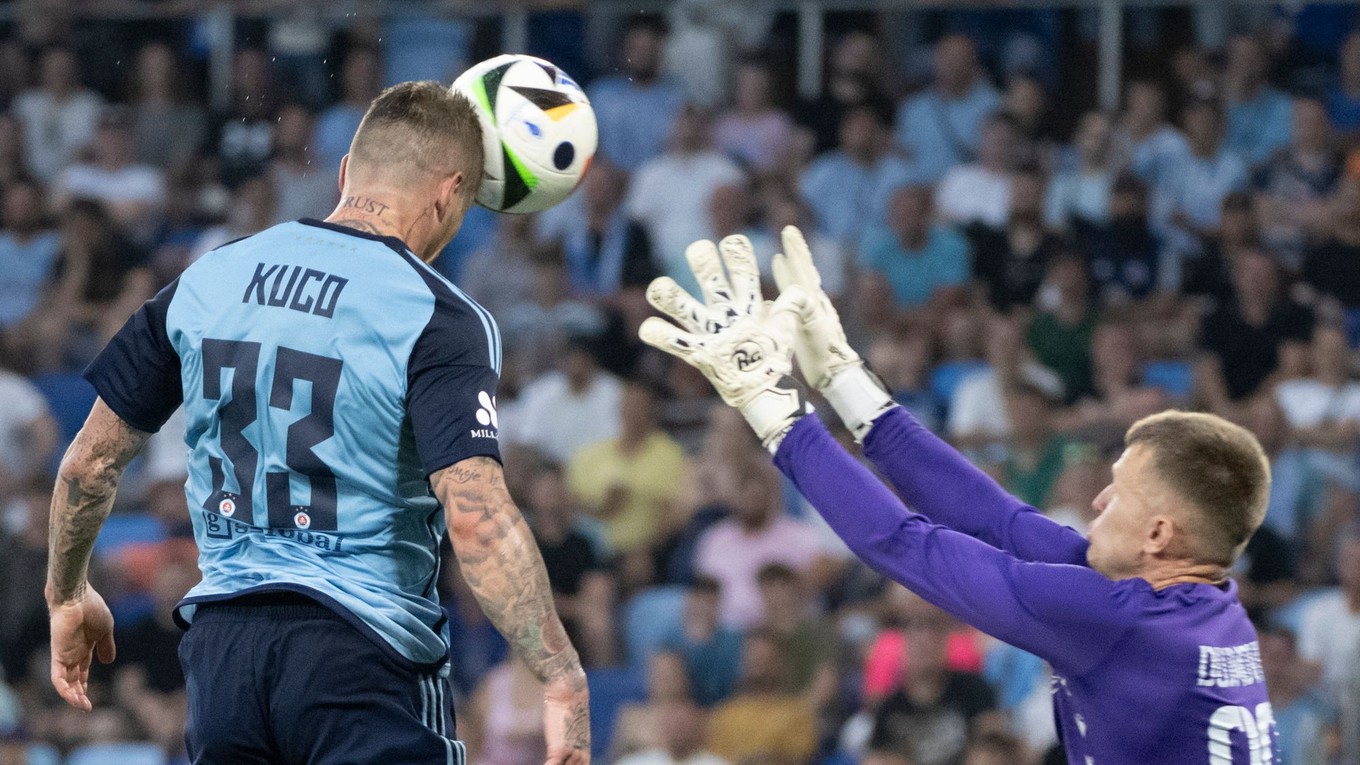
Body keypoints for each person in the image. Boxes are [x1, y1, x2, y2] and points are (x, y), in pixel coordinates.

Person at [45, 81, 589, 765]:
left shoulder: (208, 279)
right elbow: (476, 516)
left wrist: (66, 591)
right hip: (361, 660)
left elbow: (88, 464)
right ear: (450, 194)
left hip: (223, 665)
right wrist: (560, 671)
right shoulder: (436, 314)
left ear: (345, 175)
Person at [639, 228, 1280, 763]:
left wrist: (774, 413)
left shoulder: (1117, 619)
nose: (1096, 502)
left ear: (1159, 536)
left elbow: (905, 547)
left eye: (1118, 493)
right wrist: (841, 375)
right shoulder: (1198, 608)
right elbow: (994, 516)